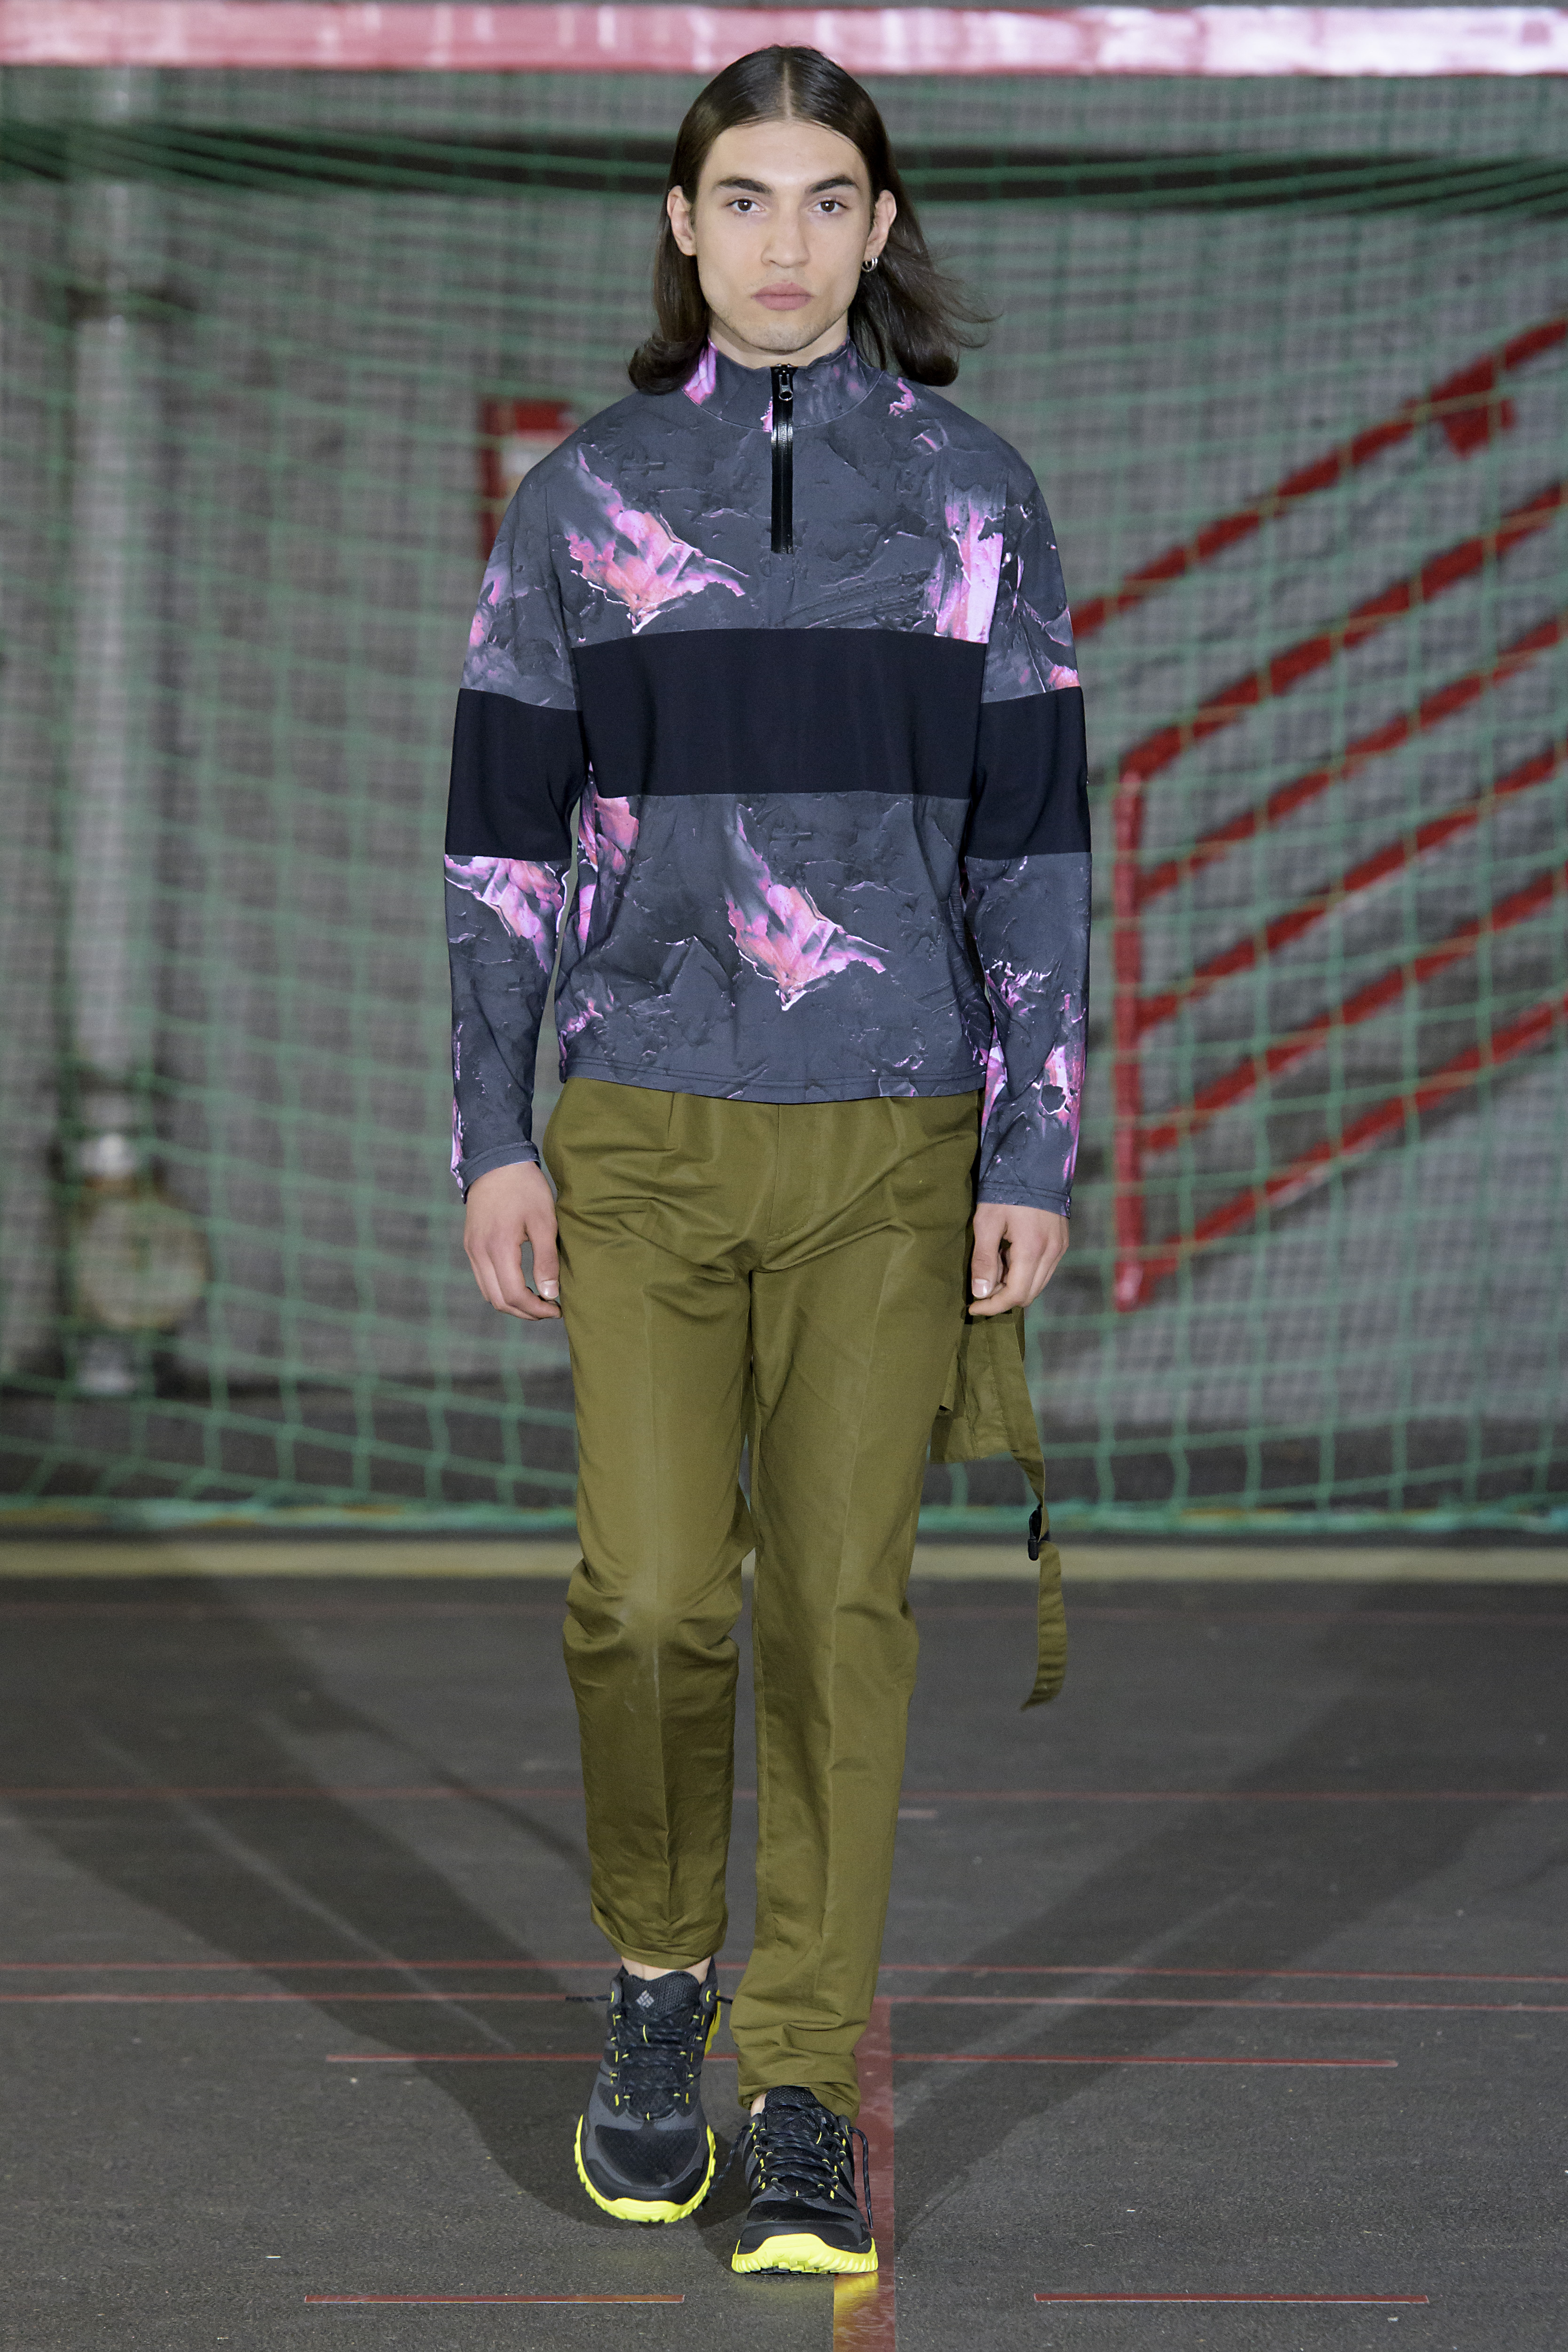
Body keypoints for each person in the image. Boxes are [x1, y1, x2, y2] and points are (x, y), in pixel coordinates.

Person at [445, 44, 1088, 2277]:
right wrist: (492, 1133)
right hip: (639, 1131)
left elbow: (1036, 850)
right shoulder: (581, 499)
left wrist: (1034, 1138)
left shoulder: (981, 499)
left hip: (896, 1142)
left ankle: (799, 2081)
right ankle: (659, 1981)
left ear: (880, 228)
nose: (786, 241)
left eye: (828, 200)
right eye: (745, 198)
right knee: (645, 1600)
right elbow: (500, 847)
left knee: (839, 1615)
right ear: (682, 222)